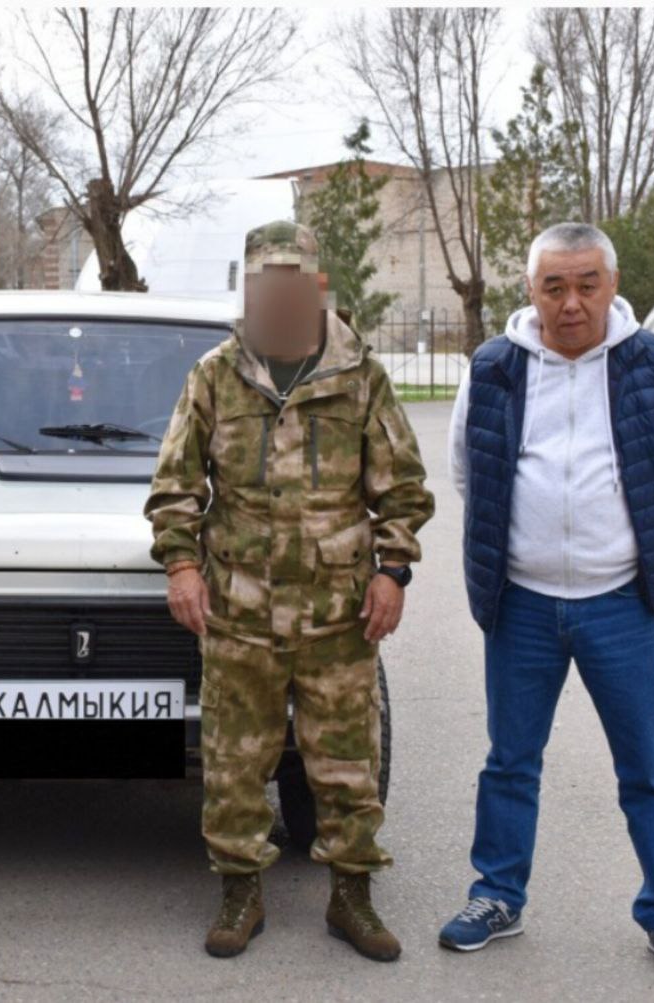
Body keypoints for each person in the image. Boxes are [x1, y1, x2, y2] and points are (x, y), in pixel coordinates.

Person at [144, 220, 434, 961]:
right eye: (265, 283)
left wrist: (393, 571)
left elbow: (402, 488)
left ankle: (351, 894)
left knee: (348, 760)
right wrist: (180, 565)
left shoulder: (359, 375)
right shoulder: (216, 374)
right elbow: (175, 484)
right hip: (239, 609)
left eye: (292, 282)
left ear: (316, 286)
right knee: (235, 760)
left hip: (339, 614)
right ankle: (240, 890)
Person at [441, 222, 654, 980]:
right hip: (521, 605)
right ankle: (497, 895)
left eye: (587, 284)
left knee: (649, 767)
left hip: (620, 605)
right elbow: (468, 470)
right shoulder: (494, 367)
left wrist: (629, 554)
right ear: (531, 290)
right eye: (554, 286)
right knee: (510, 762)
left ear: (612, 285)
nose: (571, 303)